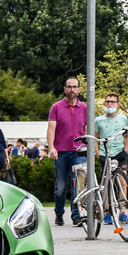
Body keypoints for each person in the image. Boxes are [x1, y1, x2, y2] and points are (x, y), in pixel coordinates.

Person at [47, 77, 87, 226]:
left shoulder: (84, 108)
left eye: (75, 87)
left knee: (78, 185)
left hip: (79, 152)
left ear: (79, 89)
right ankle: (59, 213)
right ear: (64, 89)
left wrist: (88, 149)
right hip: (61, 151)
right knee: (60, 186)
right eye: (69, 87)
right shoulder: (56, 107)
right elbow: (51, 128)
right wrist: (51, 147)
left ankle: (76, 215)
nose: (72, 90)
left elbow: (87, 130)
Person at [95, 92, 128, 224]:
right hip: (105, 153)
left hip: (119, 153)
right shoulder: (98, 120)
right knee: (106, 183)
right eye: (108, 101)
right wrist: (98, 153)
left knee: (123, 181)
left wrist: (125, 150)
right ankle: (107, 212)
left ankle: (122, 212)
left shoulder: (123, 119)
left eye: (112, 102)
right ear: (104, 103)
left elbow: (127, 135)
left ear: (118, 104)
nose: (110, 104)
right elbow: (95, 137)